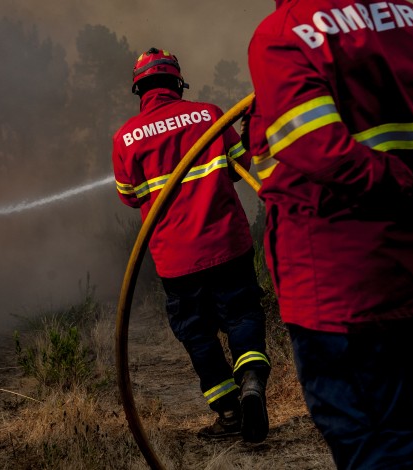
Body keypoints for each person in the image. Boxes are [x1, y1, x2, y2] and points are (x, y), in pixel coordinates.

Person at [243, 1, 413, 468]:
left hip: (346, 291)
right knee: (399, 438)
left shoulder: (284, 35)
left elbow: (318, 151)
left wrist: (402, 184)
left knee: (376, 450)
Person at [112, 47, 271, 442]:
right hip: (228, 244)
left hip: (176, 260)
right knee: (241, 314)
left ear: (139, 88)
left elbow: (130, 197)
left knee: (197, 333)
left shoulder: (125, 138)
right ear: (177, 82)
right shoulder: (210, 115)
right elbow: (239, 167)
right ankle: (251, 378)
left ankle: (229, 413)